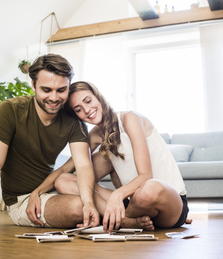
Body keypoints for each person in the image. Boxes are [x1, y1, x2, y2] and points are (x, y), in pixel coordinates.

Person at [0, 54, 100, 232]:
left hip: (50, 190)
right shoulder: (10, 110)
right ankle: (124, 215)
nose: (54, 98)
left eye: (61, 90)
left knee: (93, 181)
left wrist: (89, 203)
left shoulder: (74, 119)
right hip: (22, 200)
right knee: (77, 207)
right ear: (33, 85)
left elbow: (83, 165)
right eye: (46, 89)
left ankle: (121, 211)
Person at [55, 81, 190, 232]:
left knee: (149, 188)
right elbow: (66, 168)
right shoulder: (94, 135)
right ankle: (125, 220)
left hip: (168, 203)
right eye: (78, 109)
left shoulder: (129, 118)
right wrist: (36, 192)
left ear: (98, 97)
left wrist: (117, 195)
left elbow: (146, 176)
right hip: (135, 205)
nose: (87, 110)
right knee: (63, 180)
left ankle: (116, 219)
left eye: (88, 101)